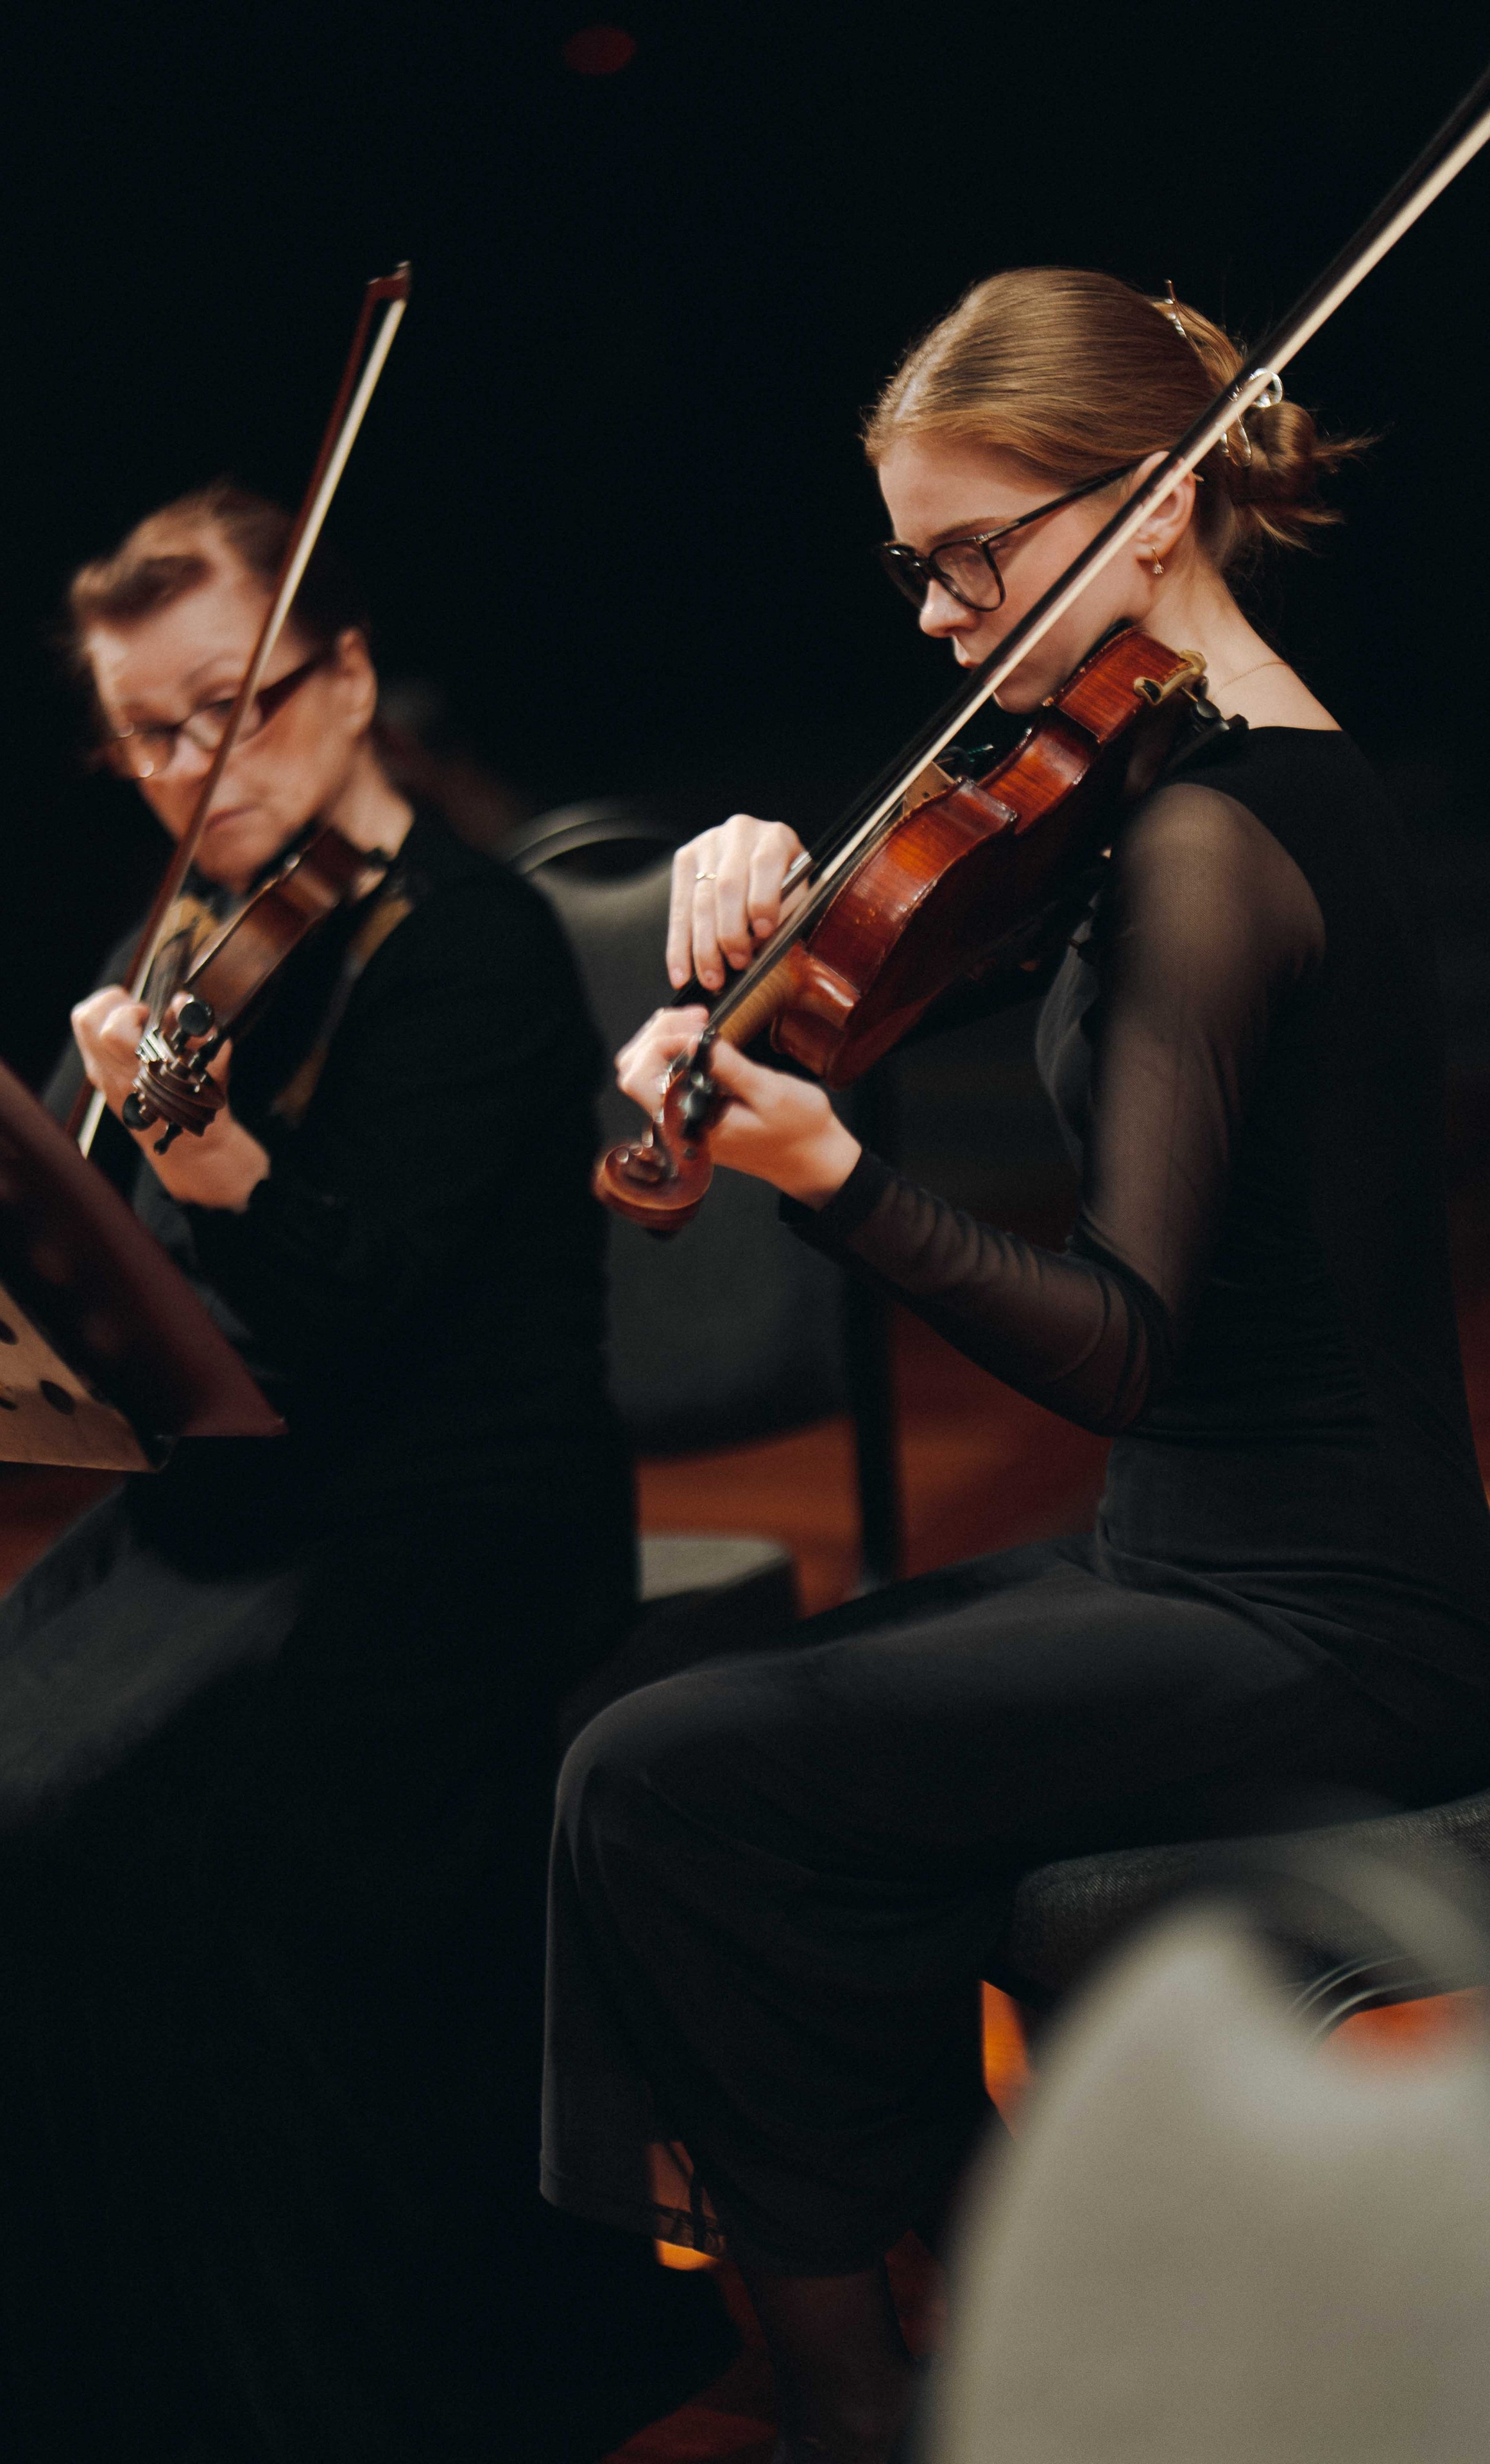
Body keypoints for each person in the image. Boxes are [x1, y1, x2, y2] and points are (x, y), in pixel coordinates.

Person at [542, 268, 1490, 2464]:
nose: (946, 622)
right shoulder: (1156, 784)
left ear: (1151, 511)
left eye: (982, 555)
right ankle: (1006, 2326)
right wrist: (758, 915)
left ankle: (879, 2410)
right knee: (658, 1749)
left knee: (666, 1782)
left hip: (1333, 1615)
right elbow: (903, 968)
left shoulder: (1220, 845)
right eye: (919, 568)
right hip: (1199, 1571)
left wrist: (836, 1176)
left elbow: (1122, 1350)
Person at [0, 483, 731, 2463]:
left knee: (85, 1823)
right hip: (240, 1500)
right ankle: (80, 2375)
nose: (195, 769)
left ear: (341, 680)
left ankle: (299, 2392)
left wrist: (226, 1179)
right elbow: (146, 1288)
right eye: (149, 734)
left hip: (454, 1517)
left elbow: (366, 1317)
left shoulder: (478, 943)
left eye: (233, 706)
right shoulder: (191, 941)